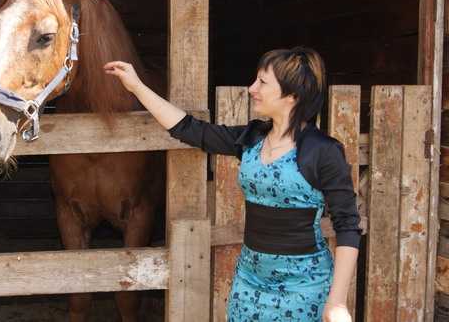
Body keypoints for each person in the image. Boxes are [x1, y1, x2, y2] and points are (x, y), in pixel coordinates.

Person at [104, 47, 360, 322]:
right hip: (249, 282)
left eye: (262, 82)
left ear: (292, 95)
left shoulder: (323, 151)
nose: (252, 88)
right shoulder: (252, 138)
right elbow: (189, 129)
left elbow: (347, 225)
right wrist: (137, 87)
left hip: (303, 288)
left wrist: (336, 302)